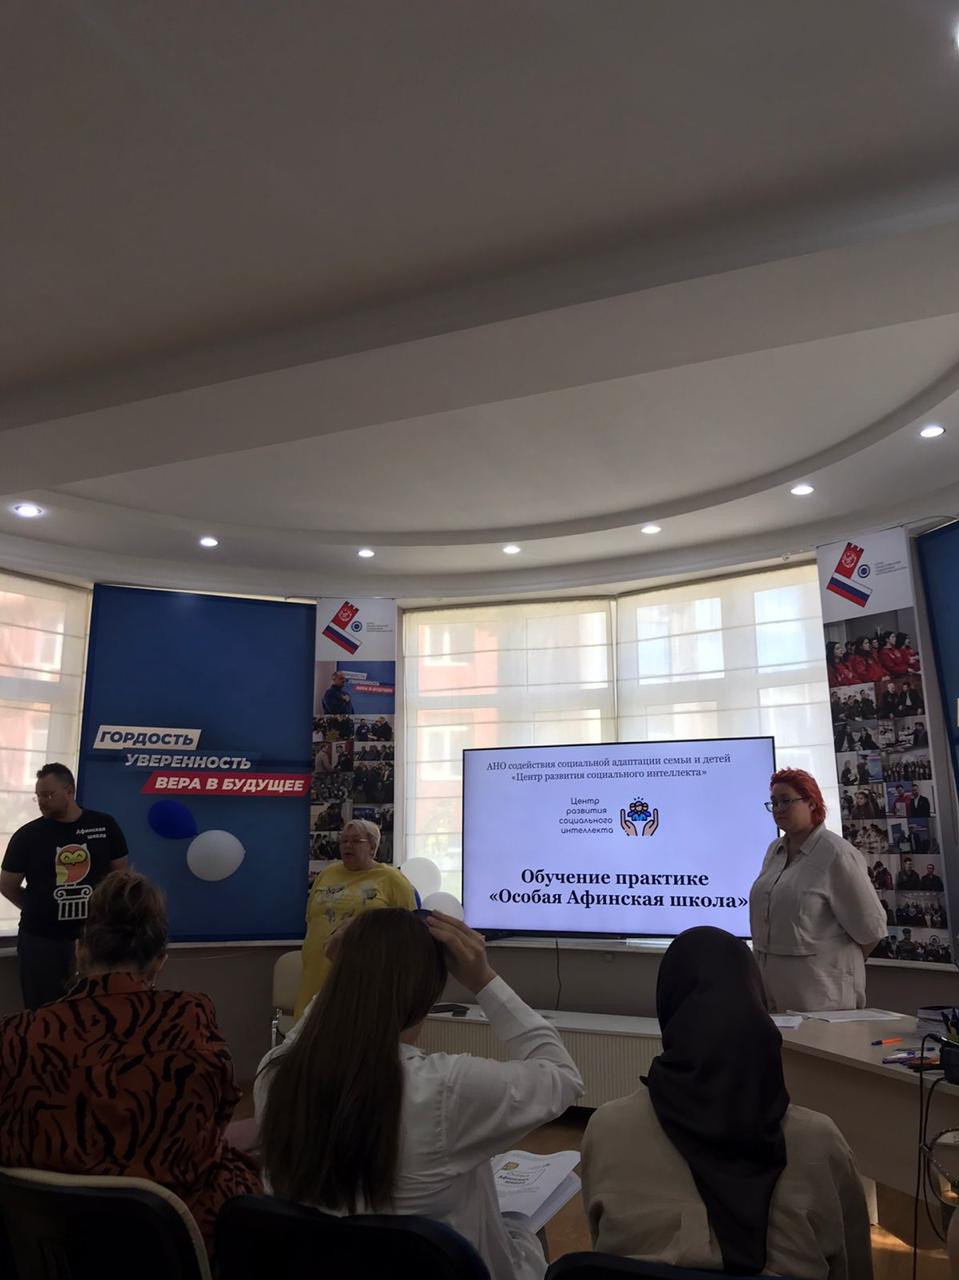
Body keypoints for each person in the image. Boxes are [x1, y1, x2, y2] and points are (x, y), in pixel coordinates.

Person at [257, 910, 584, 1280]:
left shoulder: (275, 1074)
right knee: (525, 1234)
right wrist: (483, 979)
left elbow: (305, 1037)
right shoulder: (447, 1088)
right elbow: (563, 1076)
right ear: (429, 991)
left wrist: (345, 968)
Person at [581, 927, 872, 1279]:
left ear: (669, 1008)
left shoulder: (607, 1130)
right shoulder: (819, 1142)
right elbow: (855, 1270)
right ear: (757, 1007)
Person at [0, 871, 260, 1254]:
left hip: (48, 1247)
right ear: (158, 962)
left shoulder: (14, 1037)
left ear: (80, 951)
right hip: (169, 1247)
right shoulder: (189, 1020)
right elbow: (217, 1114)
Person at [749, 769, 886, 1012]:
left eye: (786, 801)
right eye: (774, 803)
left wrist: (834, 965)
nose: (778, 809)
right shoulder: (775, 850)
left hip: (821, 995)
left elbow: (871, 929)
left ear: (811, 803)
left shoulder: (836, 853)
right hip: (771, 991)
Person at [0, 763, 129, 1009]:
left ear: (69, 791)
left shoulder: (105, 826)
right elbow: (7, 885)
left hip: (94, 938)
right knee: (43, 1011)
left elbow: (121, 878)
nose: (42, 802)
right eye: (38, 796)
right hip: (41, 940)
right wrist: (38, 908)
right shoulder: (28, 836)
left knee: (95, 1008)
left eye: (48, 795)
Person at [292, 819, 415, 1018]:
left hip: (363, 976)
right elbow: (311, 918)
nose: (347, 846)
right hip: (316, 972)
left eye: (356, 841)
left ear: (373, 847)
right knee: (310, 1029)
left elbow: (410, 933)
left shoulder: (392, 879)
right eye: (344, 841)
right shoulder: (327, 874)